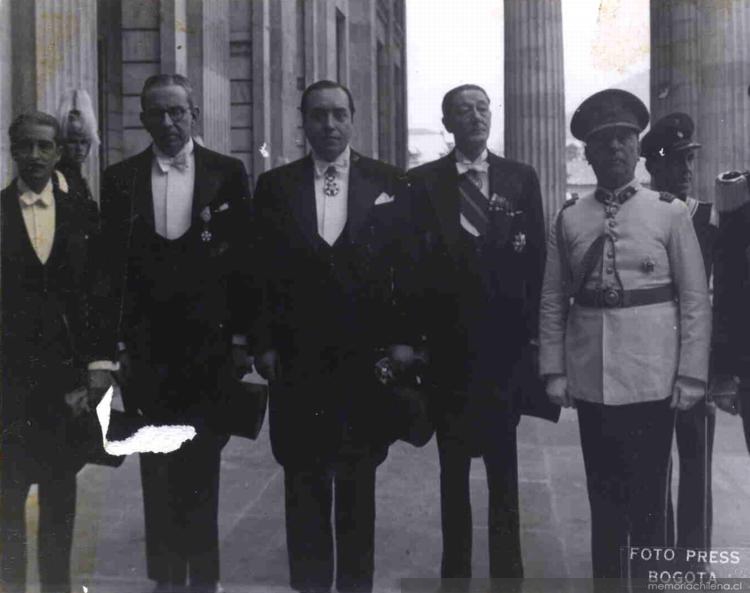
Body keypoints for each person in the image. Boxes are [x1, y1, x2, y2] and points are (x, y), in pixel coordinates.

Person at [539, 89, 712, 586]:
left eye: (624, 139)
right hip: (593, 381)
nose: (615, 149)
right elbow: (553, 300)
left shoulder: (669, 213)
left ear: (638, 151)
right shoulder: (569, 217)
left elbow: (694, 299)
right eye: (603, 142)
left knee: (651, 504)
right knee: (604, 503)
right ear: (587, 154)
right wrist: (554, 370)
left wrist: (691, 374)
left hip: (653, 380)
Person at [253, 80, 418, 593]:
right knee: (302, 486)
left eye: (338, 115)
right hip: (298, 364)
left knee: (356, 487)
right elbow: (257, 273)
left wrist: (403, 340)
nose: (329, 125)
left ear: (353, 118)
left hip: (362, 364)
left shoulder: (389, 182)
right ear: (303, 122)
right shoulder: (275, 187)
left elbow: (407, 271)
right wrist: (263, 343)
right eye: (318, 116)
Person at [97, 73, 255, 593]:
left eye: (176, 112)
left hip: (209, 352)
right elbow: (111, 272)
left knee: (202, 472)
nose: (167, 123)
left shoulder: (228, 174)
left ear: (195, 116)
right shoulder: (119, 180)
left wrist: (240, 342)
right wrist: (114, 347)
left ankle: (203, 582)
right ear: (142, 119)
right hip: (147, 357)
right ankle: (166, 582)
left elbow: (245, 268)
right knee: (157, 474)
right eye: (156, 113)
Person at [407, 84, 552, 591]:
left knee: (504, 476)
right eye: (463, 111)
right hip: (447, 355)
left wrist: (537, 343)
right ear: (447, 123)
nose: (475, 117)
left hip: (504, 355)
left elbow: (535, 263)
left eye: (482, 108)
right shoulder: (422, 183)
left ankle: (507, 579)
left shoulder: (520, 178)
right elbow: (410, 269)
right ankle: (456, 579)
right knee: (452, 480)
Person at [0, 112, 100, 593]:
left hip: (65, 384)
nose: (35, 156)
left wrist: (93, 372)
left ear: (59, 152)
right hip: (8, 385)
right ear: (12, 150)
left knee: (61, 497)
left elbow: (96, 298)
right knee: (7, 501)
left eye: (44, 146)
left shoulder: (81, 213)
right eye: (25, 146)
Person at [642, 113, 716, 554]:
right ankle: (656, 556)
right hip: (651, 358)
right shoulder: (643, 215)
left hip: (695, 360)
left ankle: (694, 560)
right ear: (653, 168)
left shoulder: (709, 218)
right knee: (652, 468)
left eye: (690, 160)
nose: (686, 170)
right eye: (675, 162)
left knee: (697, 466)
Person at [56, 88, 100, 201]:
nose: (79, 149)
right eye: (72, 142)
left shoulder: (79, 179)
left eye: (84, 142)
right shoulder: (57, 180)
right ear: (62, 142)